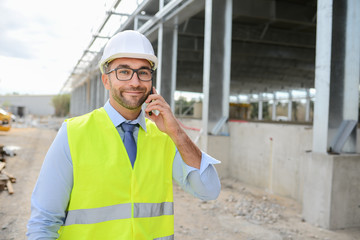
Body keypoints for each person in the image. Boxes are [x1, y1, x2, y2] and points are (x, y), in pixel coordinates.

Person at [27, 30, 221, 240]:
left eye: (143, 72)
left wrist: (177, 133)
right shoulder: (73, 133)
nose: (135, 82)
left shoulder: (165, 137)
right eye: (124, 72)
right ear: (106, 80)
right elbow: (44, 222)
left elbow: (209, 191)